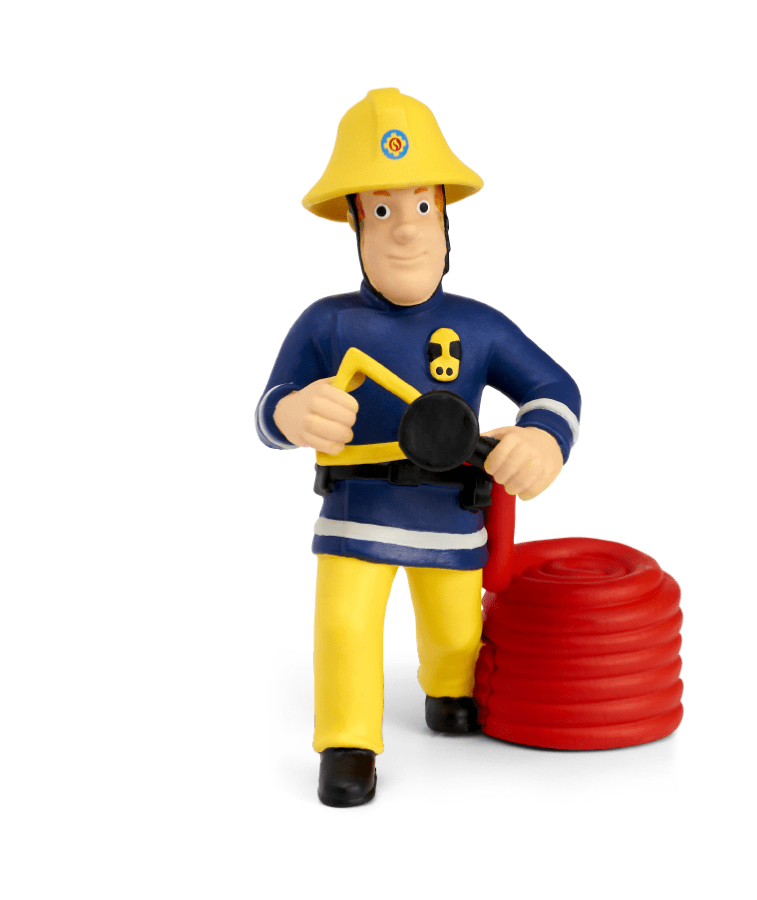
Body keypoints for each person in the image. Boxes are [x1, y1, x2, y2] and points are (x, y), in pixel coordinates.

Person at [255, 88, 581, 807]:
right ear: (354, 222)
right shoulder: (326, 324)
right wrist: (295, 413)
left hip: (452, 515)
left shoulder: (480, 326)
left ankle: (450, 691)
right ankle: (347, 742)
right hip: (357, 514)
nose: (405, 231)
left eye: (422, 207)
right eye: (381, 211)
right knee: (345, 626)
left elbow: (553, 387)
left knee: (457, 631)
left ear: (445, 217)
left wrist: (543, 437)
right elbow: (267, 409)